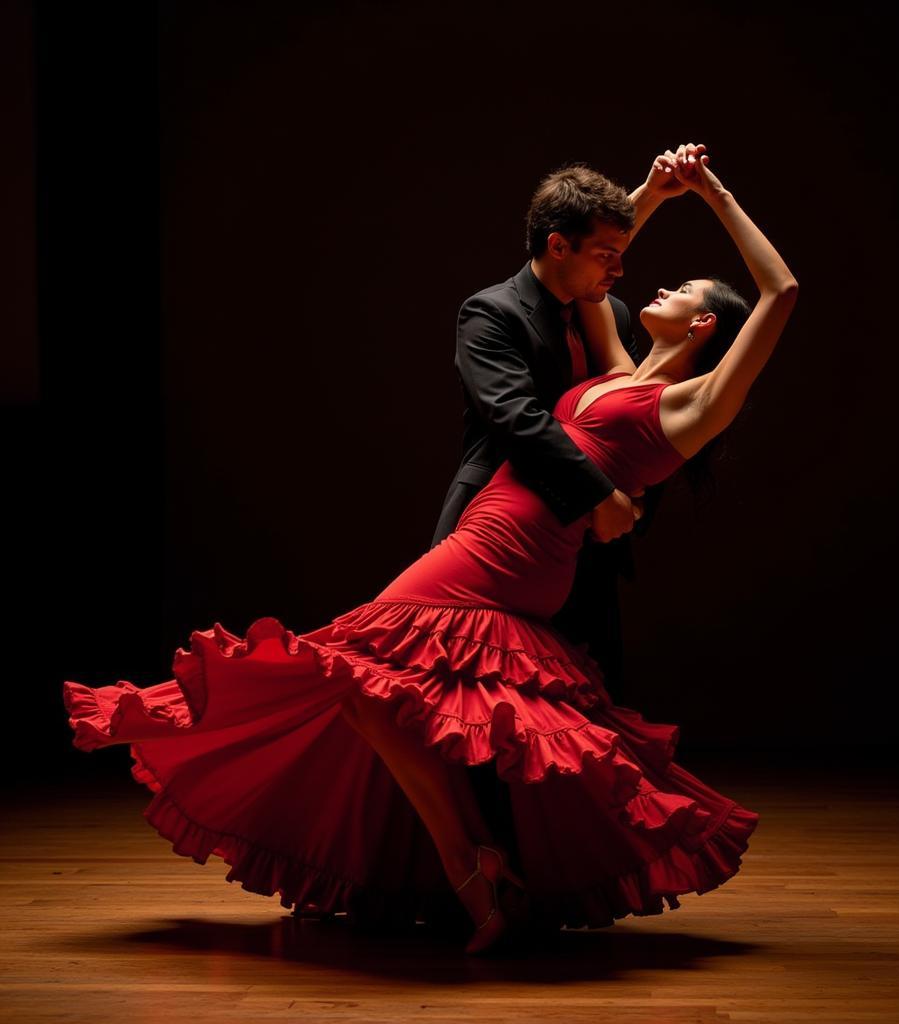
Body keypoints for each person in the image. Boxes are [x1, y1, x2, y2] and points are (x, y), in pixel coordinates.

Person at [63, 147, 796, 957]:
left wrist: (716, 194)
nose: (631, 277)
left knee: (364, 673)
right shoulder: (603, 351)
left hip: (519, 547)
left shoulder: (693, 399)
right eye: (613, 258)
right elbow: (574, 290)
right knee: (408, 698)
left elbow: (762, 288)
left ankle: (471, 864)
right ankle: (461, 871)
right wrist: (655, 192)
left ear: (703, 327)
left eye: (675, 286)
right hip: (499, 528)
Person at [432, 151, 695, 706]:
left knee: (588, 691)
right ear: (556, 247)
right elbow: (516, 419)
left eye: (619, 255)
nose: (619, 270)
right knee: (470, 694)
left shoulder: (611, 315)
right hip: (498, 519)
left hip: (586, 538)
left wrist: (648, 193)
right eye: (606, 257)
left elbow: (625, 417)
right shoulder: (491, 313)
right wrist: (602, 495)